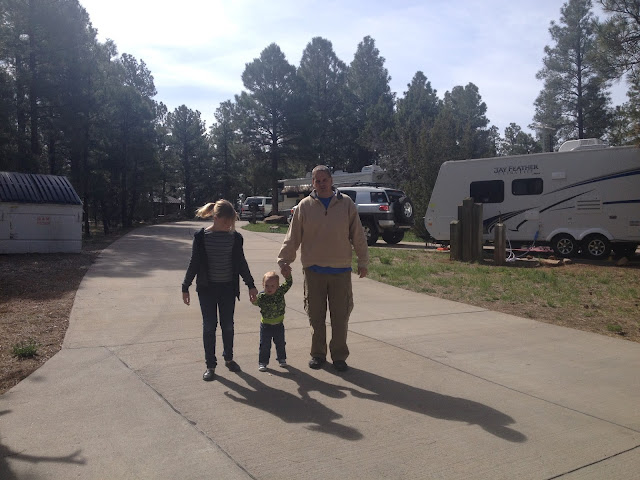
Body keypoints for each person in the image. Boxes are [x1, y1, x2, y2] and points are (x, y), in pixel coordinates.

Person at [277, 165, 369, 372]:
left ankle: (339, 356)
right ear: (312, 183)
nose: (321, 184)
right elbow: (293, 236)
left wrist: (363, 261)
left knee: (340, 317)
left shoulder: (346, 204)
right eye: (317, 181)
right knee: (315, 316)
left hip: (340, 271)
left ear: (331, 180)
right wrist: (284, 260)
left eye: (324, 180)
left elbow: (358, 235)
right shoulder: (304, 206)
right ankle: (318, 354)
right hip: (314, 271)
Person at [182, 199, 258, 381]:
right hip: (207, 289)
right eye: (225, 222)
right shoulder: (201, 237)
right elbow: (194, 263)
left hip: (227, 289)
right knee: (209, 326)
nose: (228, 226)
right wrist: (185, 286)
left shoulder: (235, 238)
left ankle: (229, 358)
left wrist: (251, 284)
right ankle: (210, 365)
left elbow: (241, 263)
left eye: (231, 223)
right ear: (215, 217)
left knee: (228, 325)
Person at [252, 271, 292, 372]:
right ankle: (263, 362)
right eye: (267, 285)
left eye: (273, 286)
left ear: (278, 286)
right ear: (263, 285)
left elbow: (289, 283)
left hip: (279, 325)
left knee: (280, 343)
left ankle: (281, 359)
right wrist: (254, 300)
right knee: (265, 345)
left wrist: (288, 275)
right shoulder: (262, 296)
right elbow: (256, 303)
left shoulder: (280, 292)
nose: (269, 288)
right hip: (266, 325)